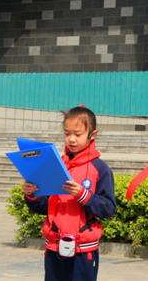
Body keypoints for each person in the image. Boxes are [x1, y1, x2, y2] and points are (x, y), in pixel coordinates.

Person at [23, 106, 116, 281]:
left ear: (92, 134)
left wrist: (83, 195)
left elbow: (108, 209)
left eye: (78, 134)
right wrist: (32, 195)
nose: (71, 139)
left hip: (84, 250)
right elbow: (45, 206)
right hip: (54, 247)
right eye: (67, 133)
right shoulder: (55, 165)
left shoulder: (100, 169)